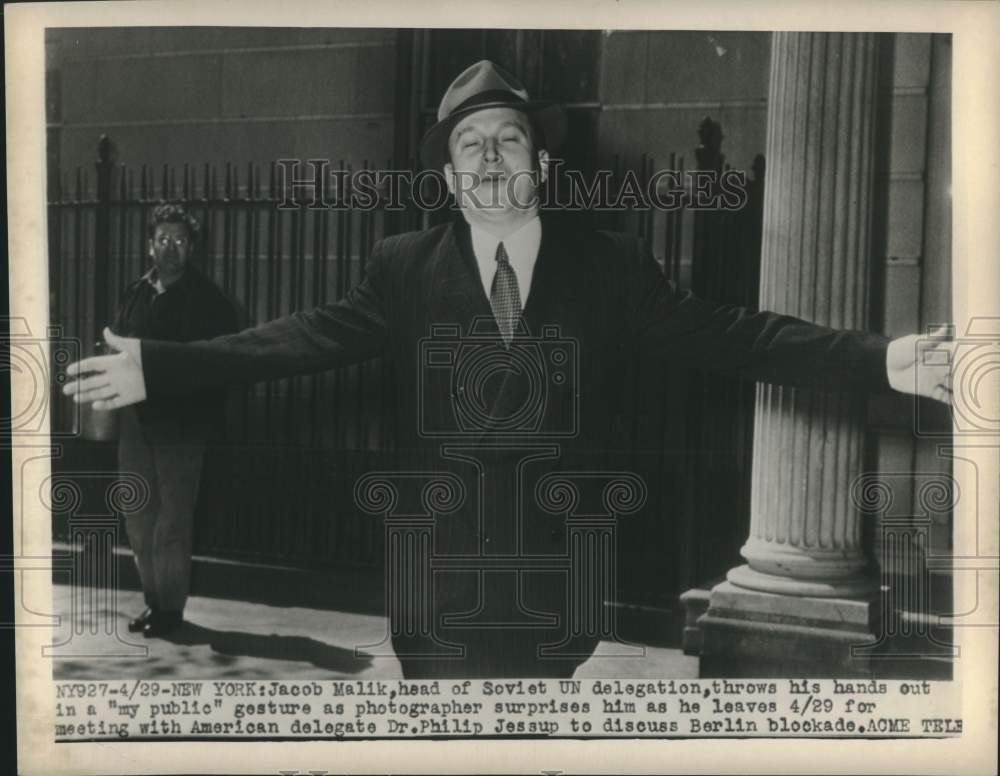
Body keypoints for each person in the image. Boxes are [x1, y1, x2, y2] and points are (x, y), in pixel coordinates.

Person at [65, 61, 953, 673]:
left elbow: (739, 336)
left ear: (541, 164)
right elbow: (295, 339)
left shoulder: (609, 265)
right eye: (471, 146)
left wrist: (886, 360)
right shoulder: (402, 266)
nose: (491, 159)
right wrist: (163, 367)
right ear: (450, 178)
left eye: (509, 141)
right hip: (434, 587)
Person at [111, 203, 238, 638]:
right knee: (138, 516)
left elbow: (218, 366)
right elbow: (119, 346)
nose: (170, 248)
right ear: (150, 245)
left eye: (180, 241)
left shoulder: (209, 302)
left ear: (192, 248)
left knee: (173, 523)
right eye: (162, 239)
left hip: (181, 428)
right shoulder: (134, 293)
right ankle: (153, 601)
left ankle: (171, 611)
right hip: (135, 423)